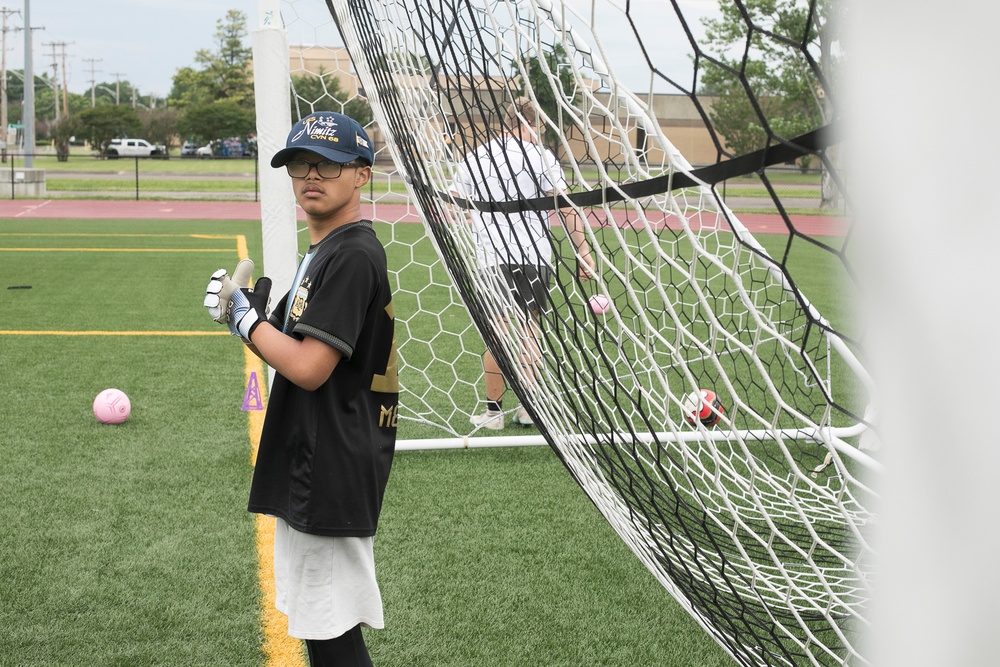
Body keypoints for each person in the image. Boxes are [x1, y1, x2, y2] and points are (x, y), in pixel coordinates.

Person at [204, 111, 398, 667]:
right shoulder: (328, 249)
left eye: (328, 164)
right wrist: (264, 322)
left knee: (332, 633)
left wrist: (247, 323)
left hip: (330, 458)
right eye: (298, 164)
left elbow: (310, 368)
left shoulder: (352, 254)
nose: (310, 175)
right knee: (322, 628)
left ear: (361, 174)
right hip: (319, 451)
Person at [451, 97, 594, 430]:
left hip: (492, 258)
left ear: (504, 122)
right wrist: (583, 252)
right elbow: (567, 206)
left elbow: (451, 202)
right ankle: (529, 409)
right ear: (535, 124)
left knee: (499, 334)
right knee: (529, 330)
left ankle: (493, 413)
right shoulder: (542, 157)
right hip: (534, 257)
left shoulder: (477, 156)